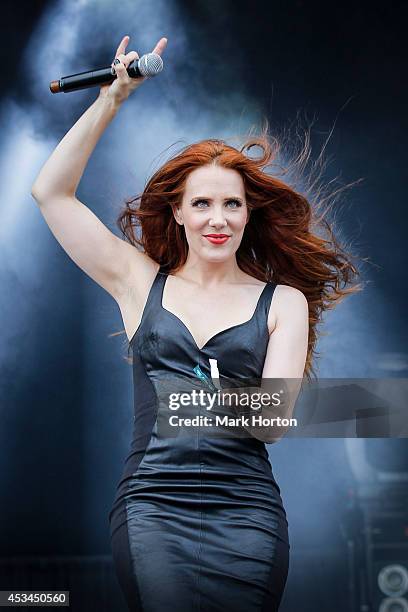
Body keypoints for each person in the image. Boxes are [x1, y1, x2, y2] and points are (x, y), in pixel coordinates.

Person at [31, 35, 361, 612]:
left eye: (232, 205)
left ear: (248, 215)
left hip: (249, 513)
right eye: (202, 204)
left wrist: (183, 400)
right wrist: (113, 98)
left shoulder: (282, 302)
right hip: (153, 508)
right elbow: (50, 193)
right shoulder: (139, 282)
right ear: (177, 212)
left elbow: (274, 420)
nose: (218, 218)